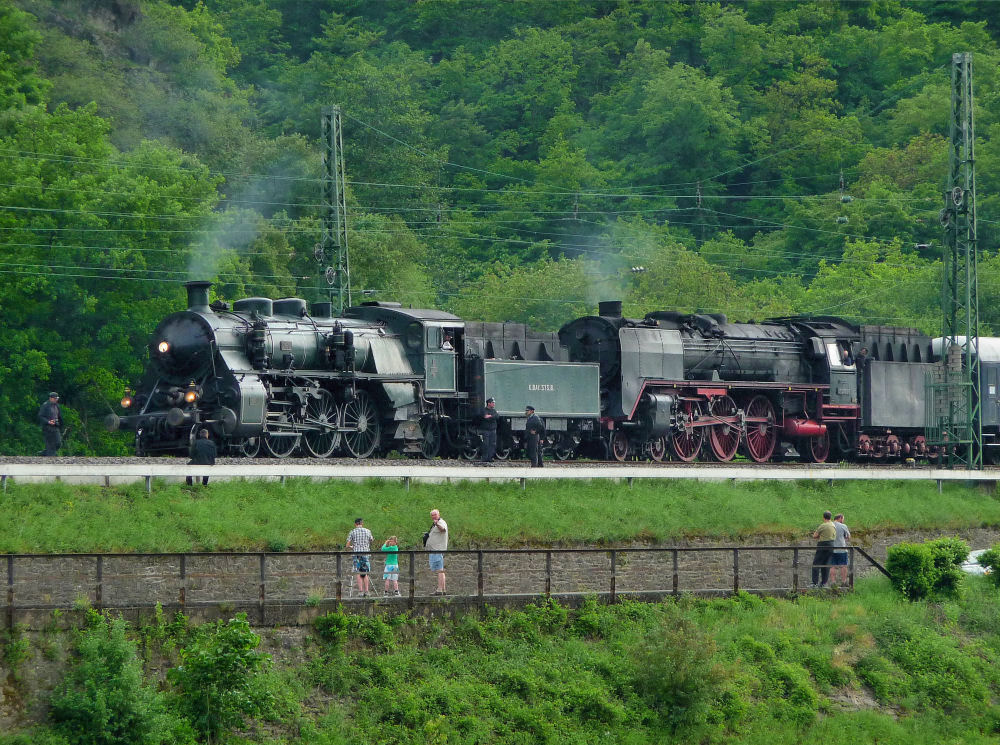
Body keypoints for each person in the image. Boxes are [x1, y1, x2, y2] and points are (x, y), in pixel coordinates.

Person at [346, 517, 374, 598]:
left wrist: (352, 546)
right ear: (362, 523)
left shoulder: (352, 532)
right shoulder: (368, 531)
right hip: (365, 554)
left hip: (357, 554)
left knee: (358, 572)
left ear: (355, 524)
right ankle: (367, 591)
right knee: (365, 573)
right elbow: (371, 540)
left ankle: (360, 591)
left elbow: (347, 545)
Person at [811, 511, 836, 588]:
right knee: (826, 564)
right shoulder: (833, 525)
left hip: (823, 545)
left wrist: (820, 536)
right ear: (830, 517)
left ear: (823, 517)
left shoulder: (823, 525)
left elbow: (815, 536)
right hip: (831, 545)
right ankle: (823, 583)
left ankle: (814, 583)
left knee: (816, 564)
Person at [426, 508, 448, 595]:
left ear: (438, 515)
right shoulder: (435, 523)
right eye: (432, 515)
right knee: (440, 569)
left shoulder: (441, 522)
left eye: (435, 514)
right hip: (434, 549)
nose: (433, 516)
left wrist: (437, 524)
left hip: (437, 549)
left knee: (439, 569)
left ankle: (439, 590)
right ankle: (443, 589)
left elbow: (443, 529)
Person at [38, 392, 63, 457]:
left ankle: (44, 453)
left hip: (55, 427)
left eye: (57, 398)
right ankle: (50, 456)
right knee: (50, 445)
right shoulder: (45, 405)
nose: (56, 400)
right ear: (50, 398)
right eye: (55, 398)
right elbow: (41, 416)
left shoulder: (57, 405)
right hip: (47, 428)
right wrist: (48, 421)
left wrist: (60, 425)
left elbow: (59, 417)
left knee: (58, 443)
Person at [831, 513, 852, 586]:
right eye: (843, 519)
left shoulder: (830, 525)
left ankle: (833, 582)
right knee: (843, 565)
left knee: (832, 566)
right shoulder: (843, 526)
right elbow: (848, 537)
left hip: (832, 549)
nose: (843, 520)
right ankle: (843, 582)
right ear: (840, 518)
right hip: (842, 549)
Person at [479, 397, 498, 463]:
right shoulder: (484, 410)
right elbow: (485, 417)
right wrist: (492, 416)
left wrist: (490, 416)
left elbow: (497, 416)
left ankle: (490, 457)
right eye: (492, 403)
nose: (494, 404)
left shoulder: (494, 410)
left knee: (492, 444)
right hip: (486, 430)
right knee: (486, 444)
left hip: (493, 430)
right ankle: (484, 458)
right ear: (488, 403)